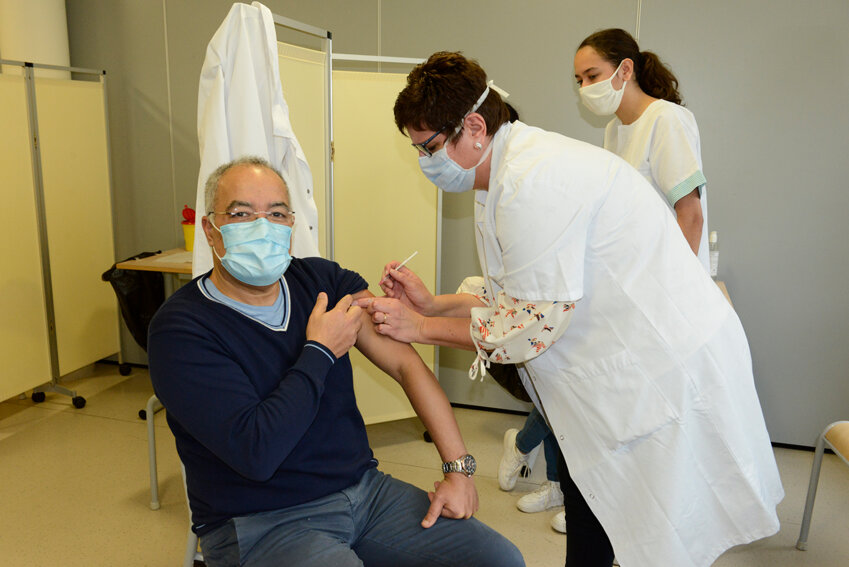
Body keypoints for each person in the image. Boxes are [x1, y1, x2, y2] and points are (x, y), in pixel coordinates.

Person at [356, 51, 783, 567]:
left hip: (661, 367)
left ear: (473, 126)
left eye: (428, 148)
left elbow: (532, 325)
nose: (426, 163)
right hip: (620, 366)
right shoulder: (498, 175)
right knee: (595, 511)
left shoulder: (534, 180)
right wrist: (434, 302)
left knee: (657, 528)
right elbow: (516, 297)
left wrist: (420, 326)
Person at [147, 156, 524, 567]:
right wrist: (320, 351)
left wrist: (459, 471)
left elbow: (406, 366)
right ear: (211, 230)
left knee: (499, 559)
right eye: (241, 213)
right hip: (260, 519)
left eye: (276, 213)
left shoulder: (324, 283)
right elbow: (257, 452)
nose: (262, 226)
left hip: (364, 493)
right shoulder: (181, 329)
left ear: (292, 226)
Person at [574, 28, 709, 271]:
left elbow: (691, 216)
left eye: (592, 76)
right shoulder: (613, 130)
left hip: (670, 276)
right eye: (579, 80)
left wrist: (676, 281)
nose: (584, 88)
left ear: (625, 70)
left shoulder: (665, 119)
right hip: (637, 271)